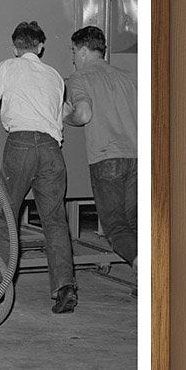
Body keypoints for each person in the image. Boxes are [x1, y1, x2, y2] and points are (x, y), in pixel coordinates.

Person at [0, 20, 78, 314]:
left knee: (8, 215)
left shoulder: (8, 66)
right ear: (41, 46)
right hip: (51, 149)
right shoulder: (56, 76)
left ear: (15, 47)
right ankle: (64, 287)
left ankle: (0, 282)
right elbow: (59, 119)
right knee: (55, 220)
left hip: (20, 146)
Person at [63, 25, 139, 270]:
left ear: (84, 51)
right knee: (136, 224)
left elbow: (84, 114)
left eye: (73, 51)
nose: (73, 57)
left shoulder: (79, 78)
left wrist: (66, 116)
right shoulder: (129, 77)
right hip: (137, 157)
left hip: (107, 159)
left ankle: (144, 267)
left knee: (115, 228)